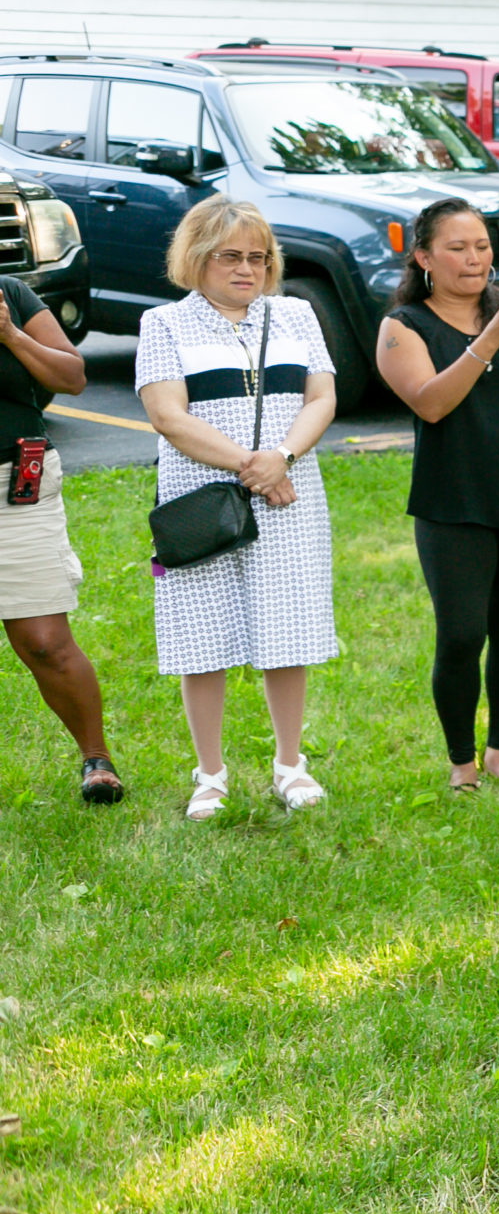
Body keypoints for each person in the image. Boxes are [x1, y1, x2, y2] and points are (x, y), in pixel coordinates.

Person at [135, 197, 339, 820]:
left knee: (288, 629)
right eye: (231, 256)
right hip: (203, 498)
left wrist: (281, 456)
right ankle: (211, 774)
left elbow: (322, 396)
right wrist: (252, 466)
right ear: (197, 258)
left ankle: (289, 765)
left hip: (289, 492)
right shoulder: (163, 324)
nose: (247, 269)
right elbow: (168, 416)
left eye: (258, 256)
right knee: (202, 634)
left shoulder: (297, 314)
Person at [375, 198, 499, 792]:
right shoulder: (403, 326)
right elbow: (431, 402)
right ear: (424, 257)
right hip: (452, 498)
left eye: (482, 247)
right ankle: (461, 761)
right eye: (458, 248)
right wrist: (489, 340)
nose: (474, 259)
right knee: (462, 633)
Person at [0, 268, 122, 804]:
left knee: (45, 642)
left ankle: (97, 760)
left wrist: (11, 334)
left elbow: (71, 377)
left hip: (16, 486)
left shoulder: (10, 294)